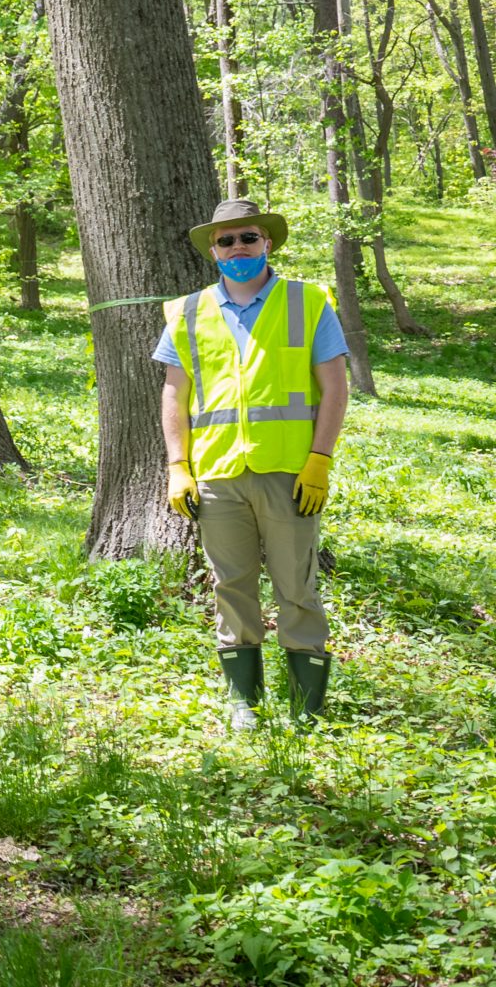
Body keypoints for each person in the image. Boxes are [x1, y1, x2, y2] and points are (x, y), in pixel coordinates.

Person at [157, 199, 349, 728]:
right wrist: (178, 465)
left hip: (290, 473)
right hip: (217, 474)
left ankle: (307, 708)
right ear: (213, 251)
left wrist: (319, 460)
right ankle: (245, 702)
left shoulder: (307, 302)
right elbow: (175, 393)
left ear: (267, 242)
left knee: (297, 586)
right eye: (226, 240)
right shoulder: (187, 311)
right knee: (230, 585)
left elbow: (335, 387)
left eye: (248, 237)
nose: (237, 247)